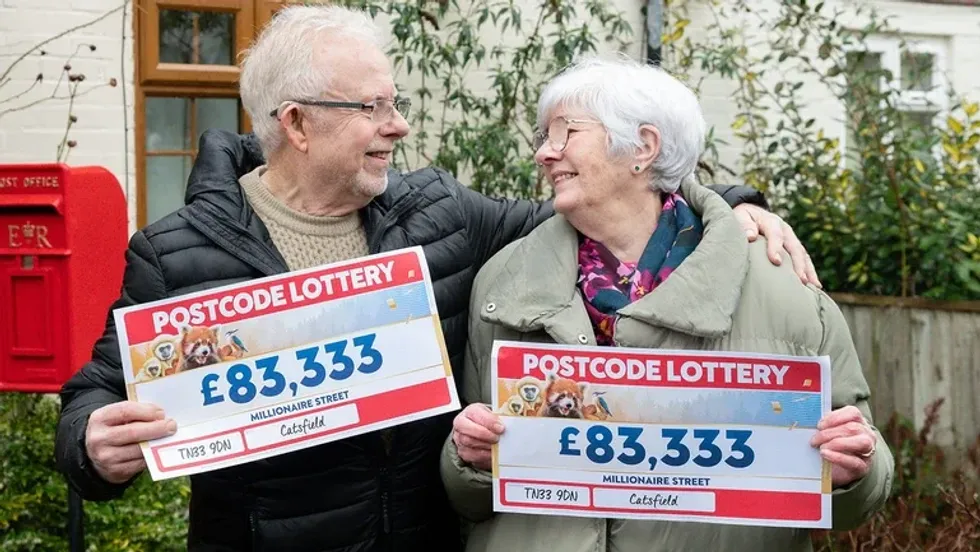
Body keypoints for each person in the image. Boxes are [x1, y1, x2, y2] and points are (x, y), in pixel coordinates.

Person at [54, 6, 818, 552]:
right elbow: (97, 393)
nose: (399, 125)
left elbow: (596, 210)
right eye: (373, 108)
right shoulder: (177, 251)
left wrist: (729, 208)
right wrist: (91, 444)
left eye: (397, 104)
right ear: (295, 124)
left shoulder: (440, 213)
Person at [441, 55, 893, 551]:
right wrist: (469, 459)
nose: (545, 154)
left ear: (644, 148)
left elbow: (856, 490)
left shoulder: (782, 286)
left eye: (565, 132)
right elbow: (470, 499)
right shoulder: (501, 284)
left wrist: (854, 467)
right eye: (544, 136)